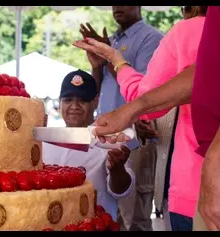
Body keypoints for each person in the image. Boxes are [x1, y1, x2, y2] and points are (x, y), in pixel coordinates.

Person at [85, 6, 220, 231]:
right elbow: (205, 73)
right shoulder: (217, 23)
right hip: (216, 177)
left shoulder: (180, 32)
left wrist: (217, 161)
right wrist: (131, 110)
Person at [73, 6, 208, 231]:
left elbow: (148, 96)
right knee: (105, 213)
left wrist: (113, 59)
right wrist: (101, 62)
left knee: (134, 218)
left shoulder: (157, 36)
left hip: (141, 144)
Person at [79, 6, 163, 231]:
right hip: (103, 141)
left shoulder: (151, 38)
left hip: (135, 141)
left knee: (133, 219)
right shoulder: (112, 40)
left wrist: (108, 56)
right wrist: (97, 66)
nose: (117, 7)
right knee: (104, 213)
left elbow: (144, 91)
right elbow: (95, 93)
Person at [42, 70, 135, 223]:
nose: (74, 106)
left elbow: (122, 191)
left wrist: (117, 170)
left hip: (94, 225)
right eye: (68, 100)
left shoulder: (110, 139)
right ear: (60, 102)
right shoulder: (47, 140)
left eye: (82, 101)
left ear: (96, 101)